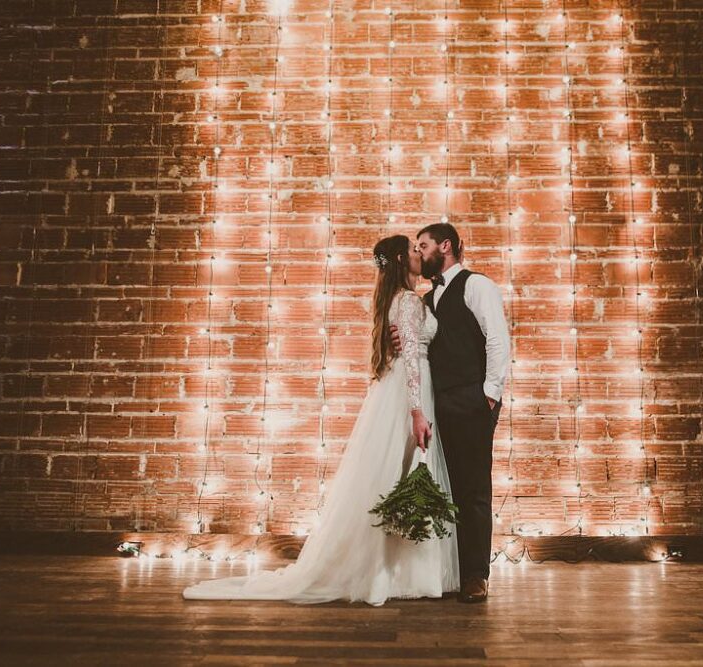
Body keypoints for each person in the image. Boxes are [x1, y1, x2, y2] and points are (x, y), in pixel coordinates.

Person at [182, 235, 458, 606]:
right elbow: (410, 356)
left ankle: (388, 568)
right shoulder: (407, 301)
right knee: (401, 473)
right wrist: (417, 411)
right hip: (411, 391)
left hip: (402, 389)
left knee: (394, 475)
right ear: (399, 259)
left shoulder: (398, 299)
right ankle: (397, 572)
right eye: (412, 249)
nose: (418, 253)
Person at [391, 222, 509, 603]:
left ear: (445, 246)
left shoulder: (477, 286)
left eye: (423, 245)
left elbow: (497, 339)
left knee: (474, 489)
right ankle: (452, 572)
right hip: (438, 404)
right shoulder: (425, 301)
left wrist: (489, 396)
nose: (419, 252)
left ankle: (476, 575)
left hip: (472, 401)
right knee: (448, 487)